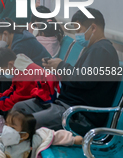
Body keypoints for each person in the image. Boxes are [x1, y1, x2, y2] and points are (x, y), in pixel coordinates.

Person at [14, 8, 120, 136]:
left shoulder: (102, 50)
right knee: (19, 109)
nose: (77, 36)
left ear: (93, 28)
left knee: (28, 123)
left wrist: (61, 66)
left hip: (79, 116)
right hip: (65, 105)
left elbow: (85, 80)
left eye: (79, 31)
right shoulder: (93, 49)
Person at [0, 110, 83, 158]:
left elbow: (53, 136)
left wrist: (73, 140)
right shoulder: (5, 142)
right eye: (6, 125)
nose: (6, 129)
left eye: (12, 127)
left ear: (24, 135)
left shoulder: (35, 140)